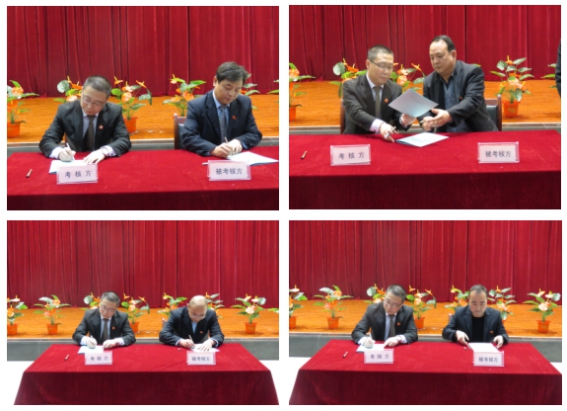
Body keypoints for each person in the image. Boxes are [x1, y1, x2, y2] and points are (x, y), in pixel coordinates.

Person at [39, 75, 131, 164]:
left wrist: (103, 151)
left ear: (105, 101)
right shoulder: (65, 111)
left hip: (102, 162)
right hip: (74, 161)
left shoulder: (113, 111)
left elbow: (124, 140)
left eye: (97, 103)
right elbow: (47, 140)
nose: (90, 106)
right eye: (86, 99)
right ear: (81, 93)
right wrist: (59, 153)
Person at [180, 62, 262, 157]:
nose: (231, 94)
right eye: (227, 87)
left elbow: (254, 134)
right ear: (215, 81)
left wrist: (238, 141)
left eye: (237, 90)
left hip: (235, 159)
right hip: (209, 160)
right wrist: (213, 149)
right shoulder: (197, 106)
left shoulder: (244, 103)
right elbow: (188, 137)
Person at [419, 35, 497, 132]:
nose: (435, 61)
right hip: (446, 137)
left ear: (453, 55)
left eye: (439, 56)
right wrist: (425, 119)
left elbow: (472, 101)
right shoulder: (429, 81)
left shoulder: (472, 73)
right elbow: (425, 107)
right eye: (432, 58)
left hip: (476, 133)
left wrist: (449, 115)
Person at [342, 45, 415, 141]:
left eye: (390, 67)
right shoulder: (351, 86)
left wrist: (404, 120)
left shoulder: (395, 89)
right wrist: (380, 125)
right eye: (381, 66)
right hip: (357, 139)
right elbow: (356, 112)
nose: (386, 71)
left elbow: (398, 116)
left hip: (385, 140)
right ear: (368, 64)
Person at [442, 284, 508, 348]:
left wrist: (501, 337)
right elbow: (445, 332)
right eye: (474, 303)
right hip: (465, 350)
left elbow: (504, 335)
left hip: (485, 352)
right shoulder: (460, 313)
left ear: (486, 301)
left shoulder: (495, 315)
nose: (478, 308)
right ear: (469, 301)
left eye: (482, 303)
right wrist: (456, 333)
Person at [352, 284, 418, 347]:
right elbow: (357, 331)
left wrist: (398, 339)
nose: (389, 307)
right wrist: (364, 340)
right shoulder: (373, 310)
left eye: (394, 304)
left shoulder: (407, 312)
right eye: (387, 301)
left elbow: (413, 334)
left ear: (401, 305)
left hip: (398, 347)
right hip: (378, 347)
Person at [159, 295, 224, 351]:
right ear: (188, 307)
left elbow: (218, 334)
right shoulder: (177, 314)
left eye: (201, 315)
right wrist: (181, 341)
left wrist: (211, 341)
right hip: (181, 349)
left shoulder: (210, 315)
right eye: (194, 314)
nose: (197, 318)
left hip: (201, 350)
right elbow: (164, 334)